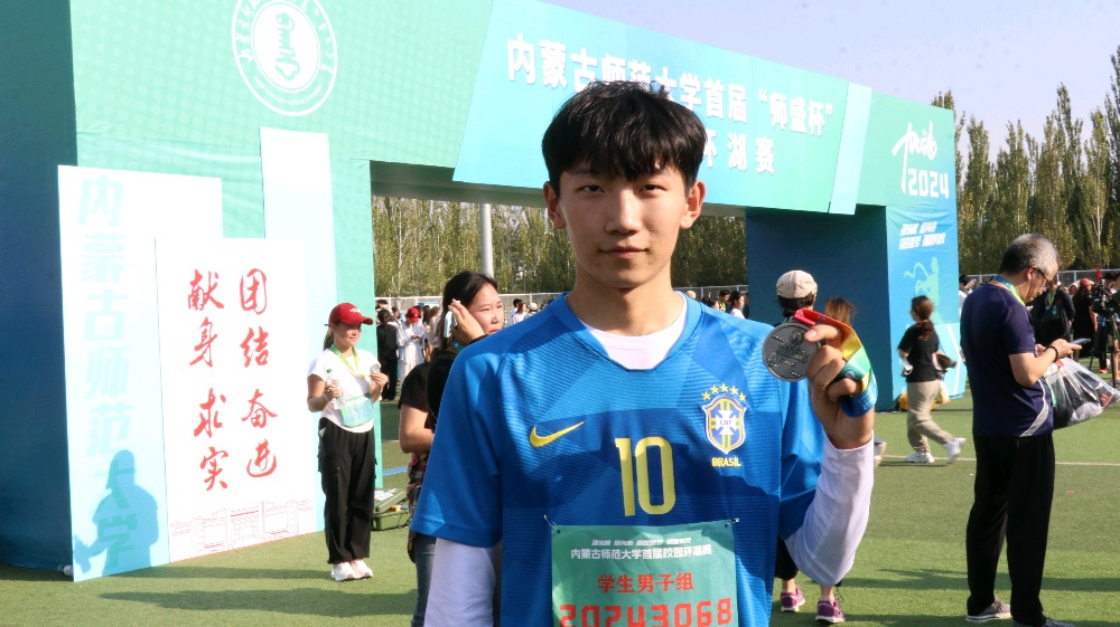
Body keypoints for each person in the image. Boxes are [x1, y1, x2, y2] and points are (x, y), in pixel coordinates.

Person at [413, 81, 877, 627]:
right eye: (592, 188)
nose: (623, 218)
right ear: (554, 204)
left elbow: (823, 560)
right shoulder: (490, 373)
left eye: (650, 187)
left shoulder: (762, 364)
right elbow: (458, 598)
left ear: (691, 202)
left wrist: (850, 447)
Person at [960, 234, 1079, 627]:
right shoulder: (1011, 306)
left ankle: (980, 603)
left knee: (988, 515)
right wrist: (1055, 350)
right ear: (1032, 271)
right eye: (1047, 279)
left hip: (988, 425)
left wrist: (1035, 352)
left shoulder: (976, 298)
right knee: (1028, 524)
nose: (1046, 288)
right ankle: (1028, 613)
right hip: (1025, 430)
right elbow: (1026, 374)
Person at [772, 272, 846, 621]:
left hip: (781, 441)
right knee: (830, 519)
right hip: (824, 440)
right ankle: (827, 598)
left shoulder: (767, 340)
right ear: (814, 298)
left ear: (779, 300)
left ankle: (789, 591)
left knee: (783, 516)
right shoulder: (829, 338)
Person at [306, 302, 389, 582]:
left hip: (364, 430)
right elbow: (312, 404)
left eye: (358, 327)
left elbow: (370, 400)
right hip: (336, 431)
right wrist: (326, 397)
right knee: (338, 496)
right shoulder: (323, 361)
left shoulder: (367, 358)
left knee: (362, 495)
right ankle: (339, 560)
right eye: (349, 326)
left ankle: (357, 556)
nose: (355, 331)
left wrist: (379, 386)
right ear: (334, 327)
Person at [897, 295, 965, 464]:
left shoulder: (913, 331)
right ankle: (922, 452)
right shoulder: (931, 330)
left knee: (918, 420)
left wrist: (905, 358)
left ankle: (950, 442)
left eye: (912, 308)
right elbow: (935, 353)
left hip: (919, 382)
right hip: (933, 381)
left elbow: (903, 352)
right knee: (914, 419)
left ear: (915, 311)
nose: (910, 311)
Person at [1030, 280, 1074, 347]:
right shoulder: (1046, 294)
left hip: (1060, 323)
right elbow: (1042, 307)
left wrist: (1069, 319)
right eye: (1048, 284)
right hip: (1048, 323)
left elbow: (1070, 308)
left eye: (1051, 284)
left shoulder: (1061, 293)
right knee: (1050, 343)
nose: (1049, 286)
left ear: (1055, 283)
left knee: (1061, 343)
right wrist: (1040, 318)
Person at [375, 309, 400, 401]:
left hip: (382, 356)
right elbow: (397, 342)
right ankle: (392, 394)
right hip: (392, 354)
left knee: (383, 374)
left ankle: (384, 393)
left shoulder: (378, 330)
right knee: (393, 376)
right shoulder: (394, 329)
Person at [398, 306, 427, 382]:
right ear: (407, 317)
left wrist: (420, 338)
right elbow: (400, 342)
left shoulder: (417, 326)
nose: (413, 322)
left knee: (417, 370)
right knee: (406, 373)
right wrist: (411, 337)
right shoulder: (401, 327)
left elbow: (421, 339)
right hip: (407, 352)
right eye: (411, 319)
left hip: (416, 351)